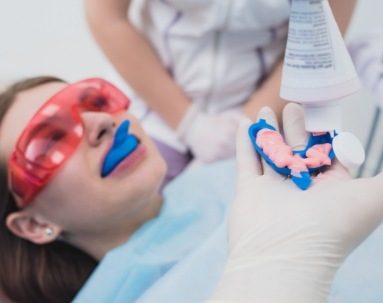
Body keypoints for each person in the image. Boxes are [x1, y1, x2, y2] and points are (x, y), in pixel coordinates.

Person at [0, 76, 383, 303]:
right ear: (33, 225)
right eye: (49, 142)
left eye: (95, 100)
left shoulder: (239, 173)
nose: (103, 121)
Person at [84, 0, 357, 183]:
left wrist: (247, 127)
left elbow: (321, 36)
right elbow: (107, 18)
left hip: (264, 112)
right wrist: (190, 123)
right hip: (154, 108)